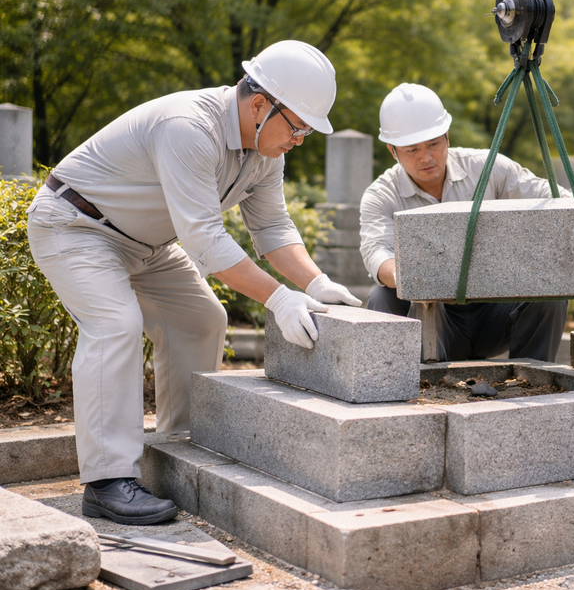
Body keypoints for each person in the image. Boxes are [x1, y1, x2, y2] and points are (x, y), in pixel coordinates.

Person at [27, 40, 362, 525]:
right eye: (300, 126)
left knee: (202, 319)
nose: (301, 139)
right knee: (116, 324)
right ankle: (105, 482)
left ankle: (178, 445)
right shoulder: (189, 126)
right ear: (260, 105)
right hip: (76, 225)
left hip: (148, 244)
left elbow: (271, 229)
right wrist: (278, 299)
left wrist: (315, 284)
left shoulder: (266, 150)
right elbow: (205, 240)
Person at [360, 83, 574, 362]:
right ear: (393, 151)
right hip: (430, 317)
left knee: (550, 289)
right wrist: (414, 281)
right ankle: (401, 385)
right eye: (412, 149)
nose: (426, 157)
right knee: (381, 296)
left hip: (496, 312)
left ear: (447, 136)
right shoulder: (381, 194)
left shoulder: (487, 168)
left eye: (434, 144)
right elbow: (377, 252)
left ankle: (534, 381)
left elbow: (548, 195)